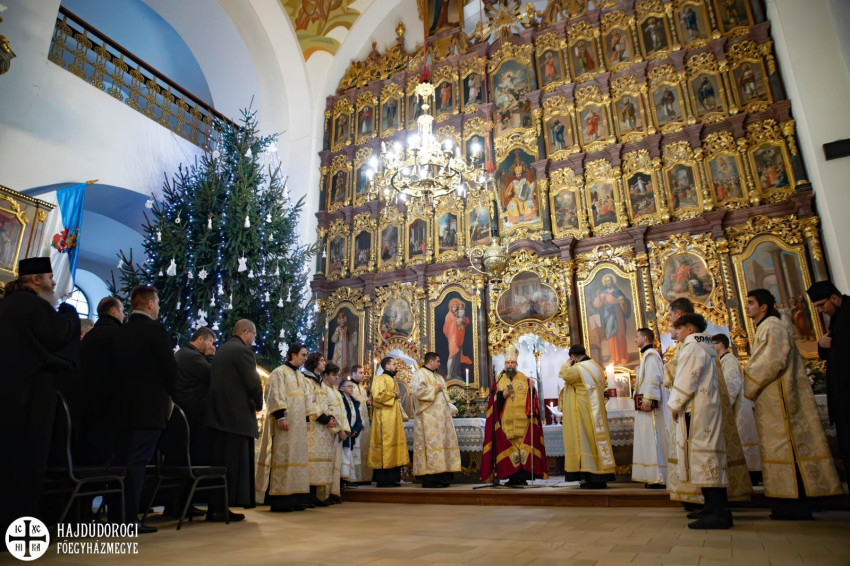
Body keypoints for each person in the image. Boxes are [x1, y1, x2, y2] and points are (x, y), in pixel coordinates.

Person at [743, 289, 842, 520]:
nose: (746, 307)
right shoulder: (765, 327)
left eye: (750, 303)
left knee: (787, 447)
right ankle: (787, 501)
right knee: (781, 447)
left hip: (782, 399)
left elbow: (771, 362)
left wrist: (748, 380)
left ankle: (796, 502)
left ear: (763, 307)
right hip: (773, 400)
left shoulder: (773, 327)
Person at [0, 257, 80, 531]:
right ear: (36, 280)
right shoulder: (32, 305)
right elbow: (58, 335)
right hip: (28, 401)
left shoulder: (9, 304)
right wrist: (70, 314)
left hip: (11, 397)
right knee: (25, 466)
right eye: (50, 277)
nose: (54, 283)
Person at [111, 285, 177, 532]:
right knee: (138, 464)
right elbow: (169, 368)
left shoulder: (121, 330)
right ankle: (129, 519)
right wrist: (171, 392)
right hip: (148, 409)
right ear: (149, 304)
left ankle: (117, 516)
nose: (158, 307)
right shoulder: (155, 329)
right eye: (157, 303)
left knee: (120, 462)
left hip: (121, 409)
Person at [668, 313, 731, 529]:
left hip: (698, 410)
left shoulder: (693, 347)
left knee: (705, 457)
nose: (677, 332)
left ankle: (719, 513)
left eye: (680, 328)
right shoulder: (704, 346)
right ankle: (712, 507)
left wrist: (674, 405)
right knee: (704, 456)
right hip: (703, 407)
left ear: (690, 329)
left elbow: (686, 379)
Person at [205, 319, 262, 522]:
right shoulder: (243, 351)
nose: (253, 339)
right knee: (233, 467)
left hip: (218, 417)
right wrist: (258, 404)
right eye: (253, 335)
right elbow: (253, 382)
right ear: (246, 332)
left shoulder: (222, 350)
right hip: (236, 419)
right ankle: (222, 509)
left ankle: (216, 507)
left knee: (221, 465)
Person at [255, 343, 316, 512]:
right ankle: (281, 500)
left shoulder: (301, 377)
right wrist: (280, 416)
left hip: (299, 426)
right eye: (303, 355)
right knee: (283, 458)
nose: (305, 358)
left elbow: (307, 399)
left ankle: (296, 497)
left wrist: (306, 419)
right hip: (285, 424)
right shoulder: (279, 372)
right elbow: (274, 394)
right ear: (293, 355)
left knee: (298, 459)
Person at [480, 346, 547, 486]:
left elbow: (532, 401)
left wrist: (532, 389)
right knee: (509, 449)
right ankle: (512, 478)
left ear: (516, 363)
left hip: (523, 424)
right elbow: (493, 404)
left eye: (512, 363)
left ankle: (523, 478)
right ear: (505, 364)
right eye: (508, 363)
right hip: (506, 423)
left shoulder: (524, 379)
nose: (510, 365)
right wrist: (501, 395)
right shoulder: (499, 380)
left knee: (523, 450)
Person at [807, 280, 850, 478]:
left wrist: (833, 344)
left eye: (822, 305)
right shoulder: (836, 316)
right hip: (842, 394)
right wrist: (822, 345)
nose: (821, 310)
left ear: (834, 298)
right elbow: (830, 350)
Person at [559, 344, 615, 489]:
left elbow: (565, 374)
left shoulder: (579, 368)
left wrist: (567, 363)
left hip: (584, 411)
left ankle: (594, 478)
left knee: (587, 442)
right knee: (594, 442)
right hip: (595, 410)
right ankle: (598, 476)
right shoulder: (595, 366)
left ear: (573, 357)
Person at [78, 296, 124, 466]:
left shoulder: (90, 336)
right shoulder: (117, 335)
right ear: (114, 312)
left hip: (84, 401)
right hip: (108, 405)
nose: (124, 315)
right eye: (122, 311)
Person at [712, 333, 762, 484]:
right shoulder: (722, 361)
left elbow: (732, 385)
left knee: (744, 441)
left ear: (720, 344)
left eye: (713, 344)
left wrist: (723, 406)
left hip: (738, 408)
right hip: (734, 408)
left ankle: (752, 476)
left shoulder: (730, 361)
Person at [412, 352, 461, 488]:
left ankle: (442, 478)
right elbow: (418, 393)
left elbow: (445, 396)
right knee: (432, 446)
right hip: (428, 419)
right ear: (431, 361)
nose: (439, 364)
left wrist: (450, 408)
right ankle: (431, 480)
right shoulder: (420, 374)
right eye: (438, 361)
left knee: (443, 445)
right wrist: (435, 388)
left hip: (442, 420)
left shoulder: (439, 377)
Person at [631, 328, 668, 488]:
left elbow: (653, 377)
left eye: (637, 336)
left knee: (654, 438)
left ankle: (658, 476)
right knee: (647, 439)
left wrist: (647, 400)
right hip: (645, 405)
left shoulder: (651, 355)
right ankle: (651, 475)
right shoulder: (648, 355)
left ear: (645, 338)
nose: (635, 339)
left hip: (650, 407)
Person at [173, 327, 216, 463]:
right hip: (194, 411)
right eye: (210, 341)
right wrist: (210, 356)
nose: (212, 346)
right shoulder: (192, 356)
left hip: (184, 407)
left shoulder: (182, 353)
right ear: (200, 338)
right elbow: (212, 375)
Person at [368, 357, 409, 487]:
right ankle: (383, 479)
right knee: (386, 445)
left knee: (394, 446)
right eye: (393, 364)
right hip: (384, 419)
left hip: (393, 419)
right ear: (387, 366)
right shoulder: (380, 379)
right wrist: (393, 395)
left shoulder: (392, 380)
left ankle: (392, 478)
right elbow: (377, 396)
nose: (396, 366)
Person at [319, 363, 350, 503]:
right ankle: (324, 494)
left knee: (336, 463)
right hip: (328, 432)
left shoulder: (337, 392)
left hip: (338, 433)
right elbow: (328, 411)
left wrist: (345, 430)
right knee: (327, 464)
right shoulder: (323, 390)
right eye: (334, 375)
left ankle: (334, 492)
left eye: (337, 375)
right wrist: (338, 430)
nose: (337, 378)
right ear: (326, 375)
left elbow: (343, 413)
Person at [349, 365, 373, 483]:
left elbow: (364, 403)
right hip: (355, 422)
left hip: (365, 422)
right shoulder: (349, 387)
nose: (363, 375)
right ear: (353, 374)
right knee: (356, 449)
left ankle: (365, 476)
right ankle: (355, 477)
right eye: (360, 373)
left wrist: (368, 401)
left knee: (364, 448)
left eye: (363, 373)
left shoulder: (362, 388)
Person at [338, 379, 364, 487]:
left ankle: (348, 478)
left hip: (351, 434)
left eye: (352, 386)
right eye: (349, 386)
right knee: (343, 456)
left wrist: (355, 431)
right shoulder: (341, 400)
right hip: (343, 433)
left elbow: (358, 419)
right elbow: (342, 416)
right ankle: (342, 479)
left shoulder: (354, 401)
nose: (351, 388)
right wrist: (347, 430)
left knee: (349, 455)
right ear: (342, 388)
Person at [443, 298, 471, 381]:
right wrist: (458, 322)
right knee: (452, 354)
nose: (456, 308)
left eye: (457, 307)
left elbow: (466, 321)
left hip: (458, 338)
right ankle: (449, 374)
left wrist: (462, 321)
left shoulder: (457, 315)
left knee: (457, 356)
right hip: (452, 338)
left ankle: (456, 374)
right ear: (451, 307)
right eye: (454, 307)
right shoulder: (448, 316)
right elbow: (446, 329)